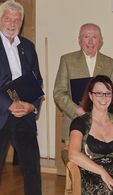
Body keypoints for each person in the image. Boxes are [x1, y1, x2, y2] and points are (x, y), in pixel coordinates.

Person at [0, 1, 42, 195]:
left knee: (32, 168)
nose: (12, 23)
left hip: (24, 115)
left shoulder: (28, 47)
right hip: (2, 113)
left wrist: (32, 107)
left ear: (22, 22)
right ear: (0, 20)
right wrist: (9, 104)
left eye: (17, 19)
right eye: (8, 18)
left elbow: (37, 81)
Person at [53, 23, 113, 142]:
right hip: (74, 123)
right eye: (86, 37)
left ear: (100, 41)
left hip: (103, 128)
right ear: (79, 41)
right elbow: (59, 93)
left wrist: (102, 116)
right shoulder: (67, 60)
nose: (90, 41)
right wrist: (78, 111)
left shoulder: (111, 64)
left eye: (94, 37)